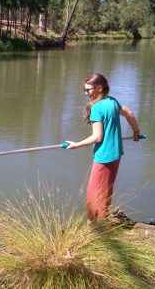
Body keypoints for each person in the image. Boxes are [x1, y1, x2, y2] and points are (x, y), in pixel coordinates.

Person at [66, 73, 140, 221]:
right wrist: (136, 132)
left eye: (88, 90)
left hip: (104, 157)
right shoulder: (112, 102)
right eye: (84, 90)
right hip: (116, 154)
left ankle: (93, 227)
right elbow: (130, 114)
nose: (86, 93)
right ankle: (102, 222)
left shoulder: (97, 108)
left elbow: (97, 137)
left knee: (93, 193)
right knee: (106, 190)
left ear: (99, 88)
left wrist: (76, 145)